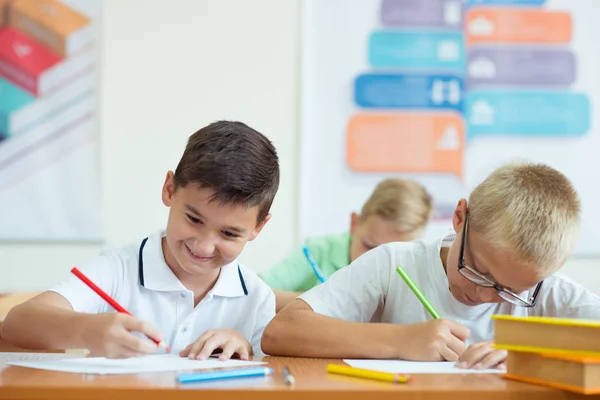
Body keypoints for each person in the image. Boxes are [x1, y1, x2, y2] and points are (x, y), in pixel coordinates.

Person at [261, 162, 600, 369]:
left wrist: (534, 359)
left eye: (510, 292)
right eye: (478, 270)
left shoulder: (545, 291)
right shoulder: (394, 263)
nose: (484, 295)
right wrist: (400, 340)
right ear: (459, 217)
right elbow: (281, 332)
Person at [2, 121, 280, 361]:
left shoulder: (257, 298)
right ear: (170, 190)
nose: (204, 246)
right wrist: (87, 329)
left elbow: (272, 375)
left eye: (229, 234)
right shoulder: (116, 271)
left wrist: (246, 349)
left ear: (258, 227)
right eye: (194, 220)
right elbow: (16, 323)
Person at [261, 178, 432, 312]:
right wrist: (325, 302)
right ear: (354, 224)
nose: (376, 260)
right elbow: (255, 292)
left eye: (393, 255)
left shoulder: (415, 274)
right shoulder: (319, 252)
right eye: (369, 246)